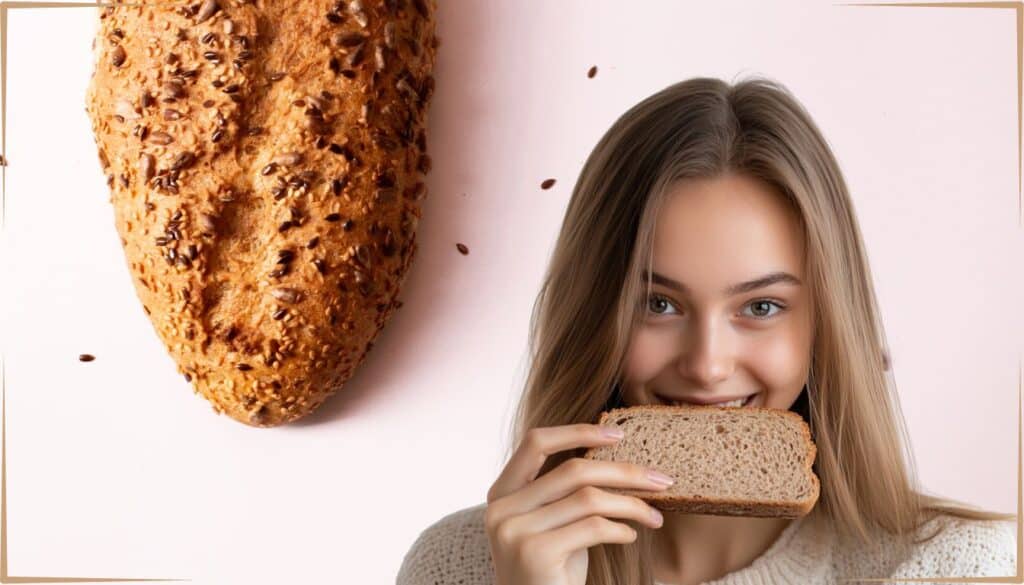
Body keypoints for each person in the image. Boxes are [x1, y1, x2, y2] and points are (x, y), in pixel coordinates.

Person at [395, 76, 1016, 585]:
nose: (708, 365)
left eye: (762, 307)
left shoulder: (959, 567)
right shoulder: (459, 567)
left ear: (827, 324)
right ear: (593, 316)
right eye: (658, 304)